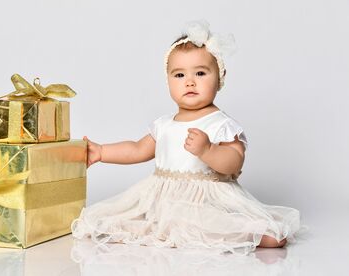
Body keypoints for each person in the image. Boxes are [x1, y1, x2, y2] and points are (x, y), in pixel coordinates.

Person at [71, 20, 309, 255]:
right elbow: (137, 149)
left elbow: (235, 161)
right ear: (168, 81)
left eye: (200, 73)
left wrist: (208, 151)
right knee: (130, 218)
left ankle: (250, 233)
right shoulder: (164, 124)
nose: (190, 81)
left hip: (205, 200)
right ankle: (146, 227)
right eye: (179, 75)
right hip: (162, 199)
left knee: (211, 223)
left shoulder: (219, 123)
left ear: (219, 79)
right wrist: (102, 152)